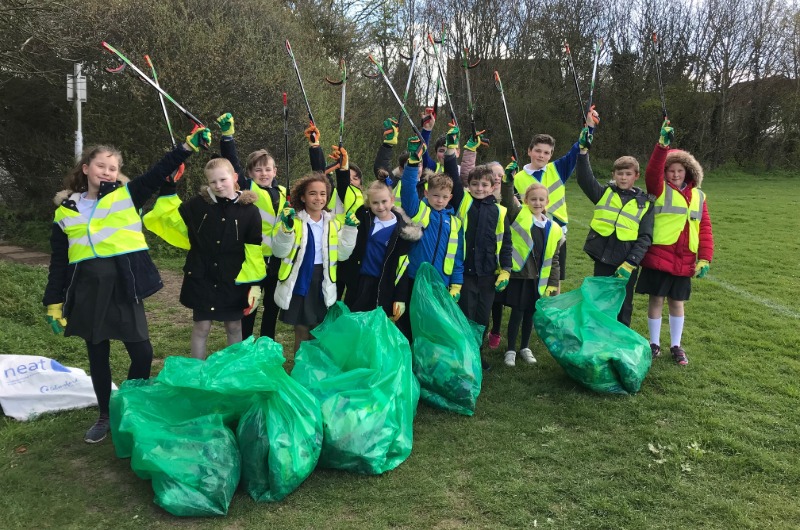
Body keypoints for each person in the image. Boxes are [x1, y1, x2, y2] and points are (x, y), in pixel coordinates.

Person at [42, 126, 209, 443]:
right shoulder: (65, 211)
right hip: (86, 290)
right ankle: (105, 415)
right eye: (101, 165)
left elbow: (157, 173)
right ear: (86, 168)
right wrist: (53, 301)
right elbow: (59, 262)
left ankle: (131, 405)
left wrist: (186, 148)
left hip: (123, 286)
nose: (107, 171)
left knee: (143, 353)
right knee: (98, 356)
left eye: (113, 168)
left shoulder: (125, 196)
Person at [143, 157, 266, 360]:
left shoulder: (250, 211)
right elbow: (170, 216)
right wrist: (169, 186)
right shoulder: (197, 205)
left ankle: (233, 369)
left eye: (223, 179)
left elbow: (254, 250)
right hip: (202, 277)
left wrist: (255, 284)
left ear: (235, 177)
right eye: (212, 181)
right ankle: (197, 370)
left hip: (233, 279)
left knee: (234, 327)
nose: (218, 185)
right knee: (201, 327)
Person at [636, 120, 714, 365]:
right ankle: (654, 344)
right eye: (671, 170)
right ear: (665, 172)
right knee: (656, 300)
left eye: (680, 170)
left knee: (677, 302)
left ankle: (676, 346)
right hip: (659, 255)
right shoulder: (658, 188)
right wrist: (662, 147)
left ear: (688, 172)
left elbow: (705, 229)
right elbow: (651, 172)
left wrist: (705, 258)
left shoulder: (699, 196)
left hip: (685, 258)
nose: (676, 174)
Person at [576, 112, 654, 327]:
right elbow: (584, 178)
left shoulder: (645, 203)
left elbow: (645, 237)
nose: (623, 177)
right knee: (600, 302)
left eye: (628, 174)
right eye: (619, 173)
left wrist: (631, 263)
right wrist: (583, 151)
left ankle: (620, 340)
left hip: (627, 262)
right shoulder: (604, 193)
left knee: (623, 305)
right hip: (602, 258)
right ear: (613, 174)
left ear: (636, 176)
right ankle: (597, 337)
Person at [443, 125, 512, 367]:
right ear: (469, 186)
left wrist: (506, 270)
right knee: (465, 315)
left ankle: (478, 353)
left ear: (493, 186)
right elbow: (452, 176)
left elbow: (506, 244)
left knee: (482, 318)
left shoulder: (500, 211)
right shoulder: (463, 202)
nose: (479, 188)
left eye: (484, 185)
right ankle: (463, 355)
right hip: (464, 272)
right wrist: (452, 150)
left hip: (488, 275)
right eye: (475, 184)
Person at [337, 144, 421, 339]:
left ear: (392, 200)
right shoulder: (363, 217)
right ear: (369, 203)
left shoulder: (401, 230)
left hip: (384, 285)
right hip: (360, 282)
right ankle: (355, 354)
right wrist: (343, 169)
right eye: (375, 202)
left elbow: (402, 268)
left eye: (384, 201)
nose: (380, 206)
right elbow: (344, 190)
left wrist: (400, 298)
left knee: (377, 329)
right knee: (356, 325)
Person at [271, 172, 358, 358]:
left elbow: (342, 255)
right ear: (302, 197)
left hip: (322, 279)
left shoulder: (334, 223)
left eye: (322, 193)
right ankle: (300, 368)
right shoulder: (292, 220)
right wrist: (286, 229)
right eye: (312, 193)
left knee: (318, 328)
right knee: (302, 328)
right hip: (300, 280)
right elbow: (279, 251)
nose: (318, 198)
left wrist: (350, 230)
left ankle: (314, 368)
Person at [216, 112, 286, 340]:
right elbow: (231, 163)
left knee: (272, 306)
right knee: (250, 305)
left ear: (275, 171)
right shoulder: (248, 189)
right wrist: (227, 138)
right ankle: (245, 344)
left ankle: (267, 343)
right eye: (258, 170)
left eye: (268, 169)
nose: (264, 173)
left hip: (278, 259)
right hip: (253, 259)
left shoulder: (284, 192)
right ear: (248, 174)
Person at [512, 117, 591, 287]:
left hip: (557, 231)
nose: (541, 155)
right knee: (531, 275)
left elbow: (578, 148)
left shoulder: (558, 169)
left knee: (554, 276)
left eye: (546, 153)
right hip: (529, 231)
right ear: (529, 151)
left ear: (551, 155)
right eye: (538, 151)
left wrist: (590, 127)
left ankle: (553, 303)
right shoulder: (517, 177)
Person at [500, 163, 562, 366]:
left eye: (541, 199)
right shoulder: (519, 215)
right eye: (533, 199)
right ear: (526, 200)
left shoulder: (553, 228)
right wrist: (507, 182)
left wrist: (552, 283)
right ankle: (510, 349)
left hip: (539, 280)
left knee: (530, 314)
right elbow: (507, 200)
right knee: (517, 313)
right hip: (521, 276)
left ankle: (525, 347)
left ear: (547, 202)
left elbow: (554, 259)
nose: (537, 203)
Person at [400, 135, 464, 302]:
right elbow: (408, 191)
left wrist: (456, 283)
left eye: (444, 197)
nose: (440, 200)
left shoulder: (456, 223)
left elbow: (457, 256)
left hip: (440, 282)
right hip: (415, 276)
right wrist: (412, 164)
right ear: (427, 193)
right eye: (435, 195)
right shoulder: (421, 211)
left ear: (450, 197)